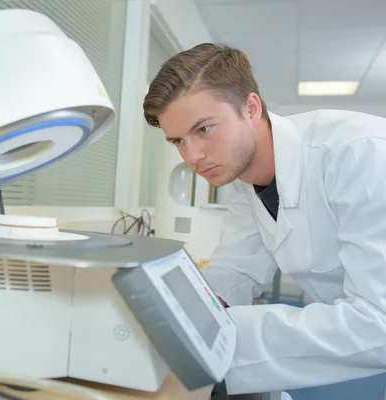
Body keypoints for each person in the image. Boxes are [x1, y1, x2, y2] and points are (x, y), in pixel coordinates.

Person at [143, 42, 386, 396]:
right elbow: (235, 270)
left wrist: (221, 333)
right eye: (178, 140)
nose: (193, 156)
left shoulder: (360, 154)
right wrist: (174, 315)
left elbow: (379, 322)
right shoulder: (244, 179)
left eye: (204, 129)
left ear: (251, 107)